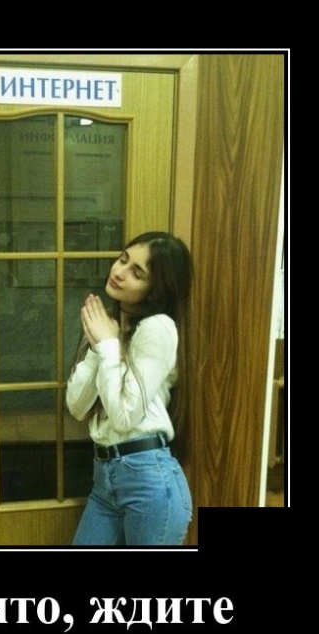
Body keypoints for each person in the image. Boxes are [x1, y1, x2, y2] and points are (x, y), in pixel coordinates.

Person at [66, 231, 193, 546]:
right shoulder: (110, 329)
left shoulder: (158, 328)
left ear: (155, 290)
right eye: (123, 259)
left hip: (148, 482)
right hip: (104, 480)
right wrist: (100, 346)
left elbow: (124, 417)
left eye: (137, 272)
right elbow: (77, 406)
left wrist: (108, 346)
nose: (120, 272)